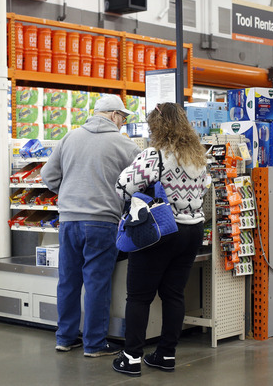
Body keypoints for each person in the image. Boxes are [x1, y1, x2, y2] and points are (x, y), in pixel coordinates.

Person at [112, 102, 211, 376]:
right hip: (192, 231)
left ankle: (131, 357)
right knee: (173, 294)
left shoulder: (154, 155)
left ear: (157, 126)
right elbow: (206, 188)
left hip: (160, 230)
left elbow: (123, 186)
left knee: (139, 297)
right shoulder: (198, 156)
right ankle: (166, 354)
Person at [41, 95, 141, 357]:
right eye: (122, 116)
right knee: (96, 282)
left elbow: (48, 176)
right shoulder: (124, 145)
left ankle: (64, 338)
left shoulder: (69, 138)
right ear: (111, 114)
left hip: (69, 221)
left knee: (68, 281)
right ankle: (94, 344)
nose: (123, 122)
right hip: (102, 221)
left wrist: (70, 193)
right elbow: (144, 178)